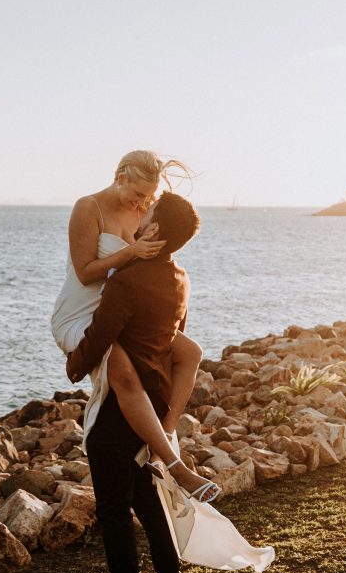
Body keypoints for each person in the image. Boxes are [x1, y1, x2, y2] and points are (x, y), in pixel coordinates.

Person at [66, 191, 204, 573]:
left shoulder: (128, 280)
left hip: (121, 409)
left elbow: (103, 332)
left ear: (156, 232)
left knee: (113, 511)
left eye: (148, 216)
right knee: (143, 489)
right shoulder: (179, 277)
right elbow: (176, 337)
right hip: (154, 399)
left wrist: (74, 365)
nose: (140, 219)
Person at [51, 150, 220, 502]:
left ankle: (165, 435)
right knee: (124, 371)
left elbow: (156, 265)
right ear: (121, 176)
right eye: (139, 193)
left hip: (121, 310)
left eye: (150, 196)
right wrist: (133, 252)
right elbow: (84, 274)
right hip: (81, 311)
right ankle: (176, 466)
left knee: (190, 351)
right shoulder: (88, 207)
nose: (144, 202)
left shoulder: (143, 211)